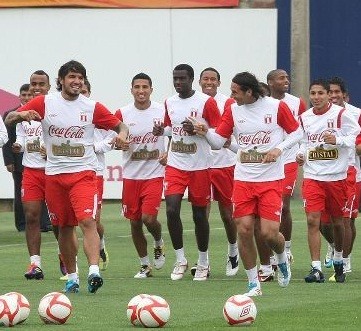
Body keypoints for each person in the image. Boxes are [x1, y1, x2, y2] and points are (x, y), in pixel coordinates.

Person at [5, 60, 128, 294]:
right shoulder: (45, 102)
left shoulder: (92, 106)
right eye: (72, 77)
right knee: (63, 227)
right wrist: (22, 116)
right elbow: (10, 119)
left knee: (87, 221)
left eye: (80, 77)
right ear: (61, 80)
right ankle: (72, 277)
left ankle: (94, 271)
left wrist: (122, 135)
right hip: (54, 176)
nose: (77, 81)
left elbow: (121, 126)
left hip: (83, 174)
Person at [193, 72, 302, 296]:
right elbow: (218, 142)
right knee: (243, 230)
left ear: (249, 92)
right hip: (243, 179)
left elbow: (297, 132)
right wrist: (205, 132)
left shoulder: (275, 107)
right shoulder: (233, 109)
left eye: (235, 91)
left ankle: (281, 258)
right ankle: (253, 283)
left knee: (269, 234)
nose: (231, 96)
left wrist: (278, 149)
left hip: (271, 179)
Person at [153, 64, 221, 281]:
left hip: (199, 166)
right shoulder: (169, 102)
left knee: (199, 215)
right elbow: (170, 127)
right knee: (172, 210)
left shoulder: (205, 102)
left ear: (192, 79)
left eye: (182, 79)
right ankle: (180, 258)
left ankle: (203, 261)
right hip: (176, 164)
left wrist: (200, 130)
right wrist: (161, 131)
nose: (178, 83)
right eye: (175, 79)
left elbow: (218, 132)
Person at [296, 79, 359, 283]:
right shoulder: (304, 118)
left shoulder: (341, 114)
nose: (316, 97)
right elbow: (303, 141)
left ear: (327, 95)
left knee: (338, 222)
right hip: (313, 176)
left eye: (320, 93)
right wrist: (300, 153)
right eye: (313, 93)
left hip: (337, 176)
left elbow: (355, 135)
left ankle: (339, 259)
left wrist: (338, 140)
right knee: (313, 220)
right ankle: (315, 268)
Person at [255, 69, 307, 282]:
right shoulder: (261, 105)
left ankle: (285, 247)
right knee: (259, 216)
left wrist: (301, 151)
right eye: (281, 78)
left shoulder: (296, 103)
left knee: (284, 206)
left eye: (287, 78)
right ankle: (267, 263)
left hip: (286, 161)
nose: (286, 81)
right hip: (263, 163)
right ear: (270, 82)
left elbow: (303, 129)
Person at [115, 73, 166, 278]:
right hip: (131, 176)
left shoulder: (162, 111)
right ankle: (145, 265)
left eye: (145, 87)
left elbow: (174, 133)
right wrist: (119, 142)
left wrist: (167, 152)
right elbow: (113, 138)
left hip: (154, 174)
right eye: (137, 87)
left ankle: (158, 241)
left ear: (151, 89)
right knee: (134, 222)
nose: (141, 91)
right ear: (132, 90)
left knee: (149, 218)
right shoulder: (123, 113)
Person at [11, 71, 59, 280]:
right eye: (33, 84)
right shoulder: (24, 112)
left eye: (41, 83)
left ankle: (64, 256)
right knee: (31, 216)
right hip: (31, 171)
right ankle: (35, 264)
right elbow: (20, 135)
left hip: (54, 170)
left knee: (58, 220)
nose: (36, 87)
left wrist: (51, 151)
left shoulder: (57, 109)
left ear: (49, 87)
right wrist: (18, 146)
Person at [198, 67, 238, 276]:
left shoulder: (228, 103)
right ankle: (203, 260)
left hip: (225, 164)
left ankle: (233, 250)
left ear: (219, 82)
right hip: (200, 165)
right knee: (201, 214)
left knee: (227, 214)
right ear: (199, 82)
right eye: (206, 79)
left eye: (213, 79)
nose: (209, 82)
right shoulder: (193, 102)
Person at [321, 77, 361, 277]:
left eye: (338, 92)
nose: (334, 95)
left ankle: (344, 260)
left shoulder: (355, 114)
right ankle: (334, 245)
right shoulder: (315, 115)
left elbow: (358, 143)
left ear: (345, 95)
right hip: (321, 174)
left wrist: (344, 143)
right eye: (331, 92)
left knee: (347, 220)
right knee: (320, 221)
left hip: (350, 173)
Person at [81, 79, 114, 271]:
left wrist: (93, 147)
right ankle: (73, 268)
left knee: (93, 220)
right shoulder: (64, 113)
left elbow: (112, 138)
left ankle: (99, 247)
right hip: (71, 170)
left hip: (95, 172)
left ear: (89, 93)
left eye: (85, 91)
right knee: (75, 221)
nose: (82, 94)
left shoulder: (96, 113)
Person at [2, 84, 30, 232]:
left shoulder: (38, 112)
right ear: (19, 96)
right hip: (18, 161)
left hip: (37, 160)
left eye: (28, 95)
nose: (26, 98)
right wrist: (8, 161)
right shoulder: (10, 114)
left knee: (41, 193)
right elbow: (6, 139)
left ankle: (44, 224)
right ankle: (21, 224)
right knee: (20, 193)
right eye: (23, 95)